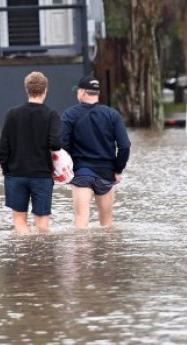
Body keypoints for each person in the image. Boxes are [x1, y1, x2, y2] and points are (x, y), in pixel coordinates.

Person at [61, 74, 131, 229]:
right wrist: (117, 170)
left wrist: (65, 170)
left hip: (81, 173)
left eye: (78, 91)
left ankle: (82, 252)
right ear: (97, 94)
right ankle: (106, 253)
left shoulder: (69, 114)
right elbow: (125, 146)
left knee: (81, 221)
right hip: (106, 174)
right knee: (107, 225)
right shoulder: (112, 114)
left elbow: (62, 146)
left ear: (82, 92)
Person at [0, 71, 62, 234]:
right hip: (41, 175)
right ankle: (40, 256)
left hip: (16, 174)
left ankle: (24, 257)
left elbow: (3, 148)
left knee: (19, 221)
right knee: (42, 224)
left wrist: (7, 170)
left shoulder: (12, 114)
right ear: (45, 90)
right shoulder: (51, 115)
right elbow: (55, 144)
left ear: (27, 89)